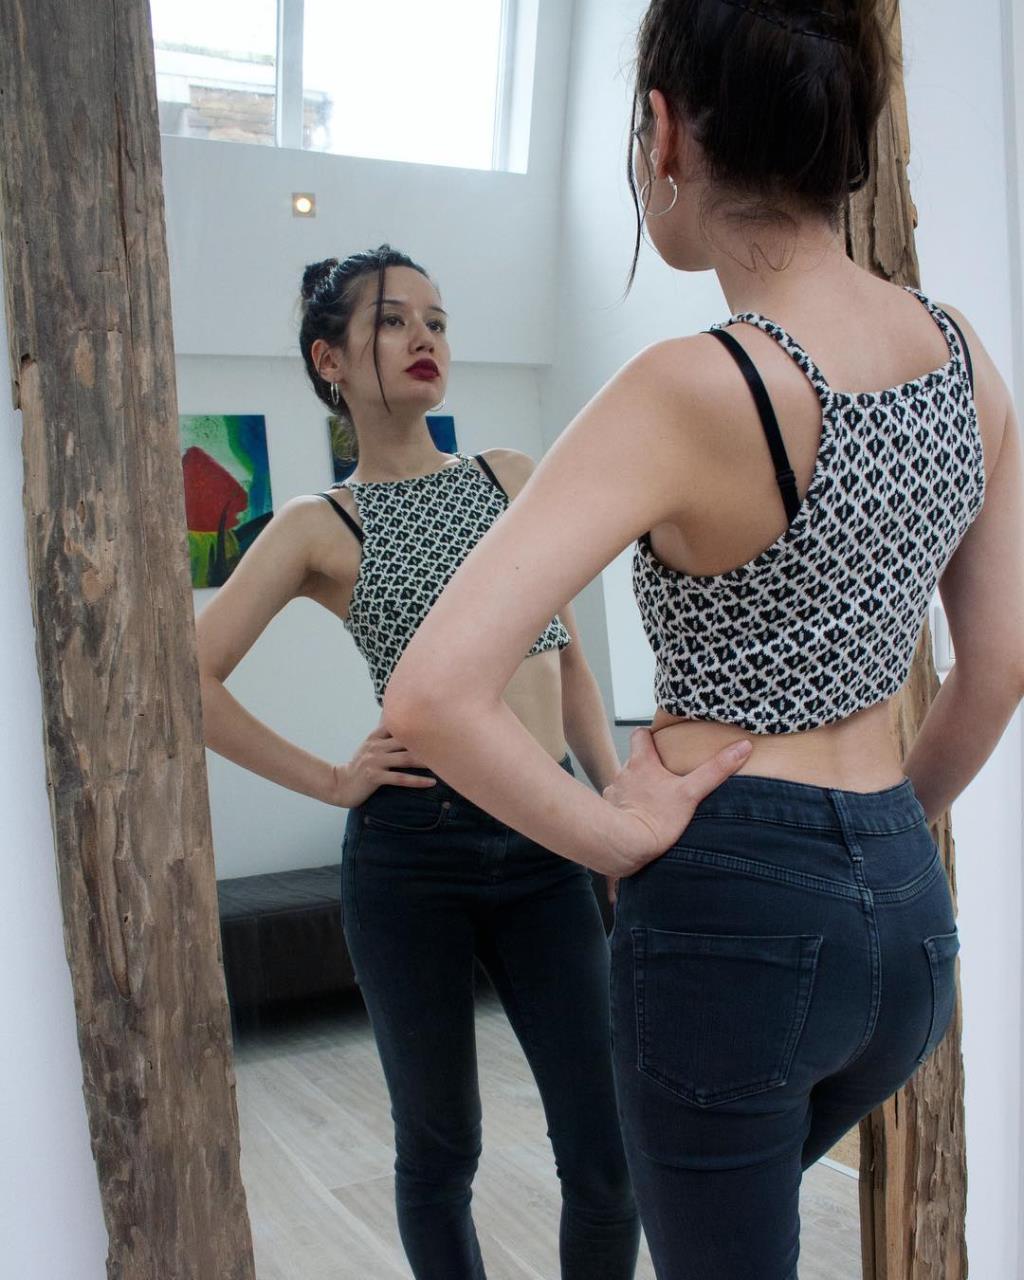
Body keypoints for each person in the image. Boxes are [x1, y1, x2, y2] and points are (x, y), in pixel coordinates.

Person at [380, 3, 1024, 1277]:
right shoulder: (965, 358)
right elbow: (996, 667)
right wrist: (879, 841)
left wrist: (615, 837)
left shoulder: (688, 387)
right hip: (906, 919)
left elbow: (432, 693)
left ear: (666, 133)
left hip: (731, 915)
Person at [197, 244, 727, 1280]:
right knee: (441, 1150)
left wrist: (613, 810)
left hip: (547, 843)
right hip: (411, 857)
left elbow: (567, 660)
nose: (424, 337)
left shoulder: (511, 478)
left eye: (436, 319)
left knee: (605, 1157)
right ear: (330, 360)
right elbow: (192, 678)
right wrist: (332, 780)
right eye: (393, 320)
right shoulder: (318, 525)